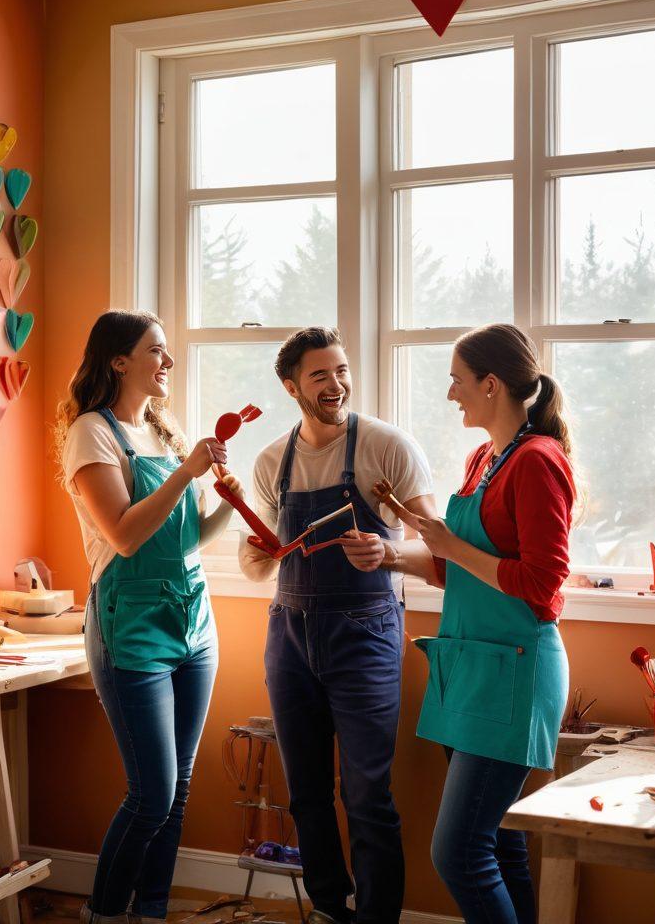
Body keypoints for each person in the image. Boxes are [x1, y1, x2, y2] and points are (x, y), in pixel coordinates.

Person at [357, 323, 574, 924]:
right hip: (473, 665)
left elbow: (542, 586)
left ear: (491, 383)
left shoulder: (537, 462)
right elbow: (461, 571)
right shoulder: (486, 458)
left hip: (514, 671)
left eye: (457, 381)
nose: (451, 394)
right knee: (499, 841)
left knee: (456, 853)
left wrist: (449, 543)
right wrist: (393, 552)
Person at [238, 327, 436, 924]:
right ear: (291, 385)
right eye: (320, 374)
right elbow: (255, 564)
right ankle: (330, 909)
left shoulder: (388, 447)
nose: (336, 384)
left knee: (367, 796)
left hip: (366, 635)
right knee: (306, 794)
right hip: (290, 636)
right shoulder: (272, 461)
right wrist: (259, 552)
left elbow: (439, 550)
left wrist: (388, 552)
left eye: (342, 370)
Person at [55, 310, 242, 924]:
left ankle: (152, 913)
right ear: (119, 361)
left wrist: (232, 509)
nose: (168, 362)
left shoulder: (165, 429)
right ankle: (104, 913)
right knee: (152, 794)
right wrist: (188, 474)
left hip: (193, 621)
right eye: (156, 351)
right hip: (130, 626)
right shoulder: (92, 433)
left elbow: (185, 536)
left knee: (178, 789)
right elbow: (127, 537)